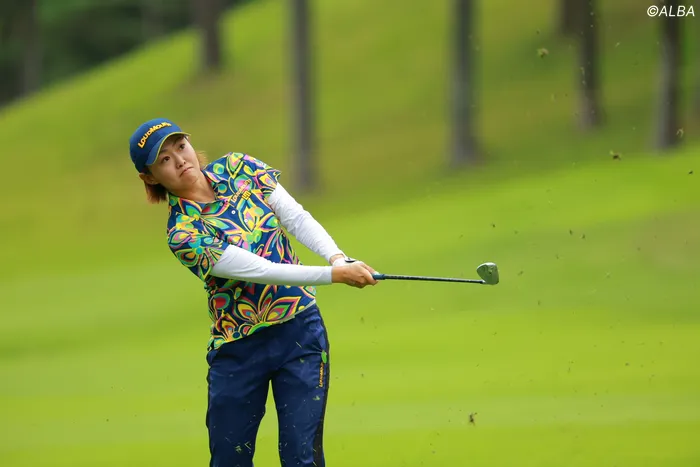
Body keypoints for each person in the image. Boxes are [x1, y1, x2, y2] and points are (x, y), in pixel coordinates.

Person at [128, 118, 379, 466]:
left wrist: (338, 256)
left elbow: (296, 218)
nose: (181, 160)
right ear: (150, 177)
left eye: (181, 147)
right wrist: (334, 274)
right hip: (239, 350)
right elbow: (259, 270)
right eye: (165, 160)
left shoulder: (239, 167)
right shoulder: (183, 234)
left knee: (301, 457)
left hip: (299, 333)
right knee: (229, 460)